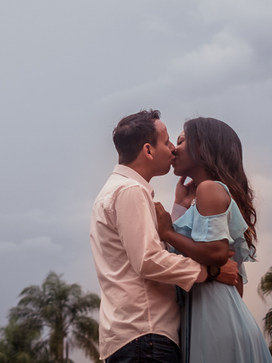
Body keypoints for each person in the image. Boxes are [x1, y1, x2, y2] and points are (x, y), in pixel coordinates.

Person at [90, 110, 239, 363]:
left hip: (136, 337)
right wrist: (210, 271)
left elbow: (150, 251)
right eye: (168, 141)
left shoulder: (116, 190)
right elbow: (148, 260)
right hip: (145, 337)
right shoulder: (130, 191)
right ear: (148, 150)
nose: (173, 149)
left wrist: (179, 207)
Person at [154, 117, 272, 363]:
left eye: (182, 141)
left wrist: (167, 232)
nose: (174, 149)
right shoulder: (208, 194)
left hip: (215, 322)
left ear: (203, 147)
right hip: (219, 316)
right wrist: (180, 204)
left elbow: (217, 254)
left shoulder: (209, 188)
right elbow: (234, 281)